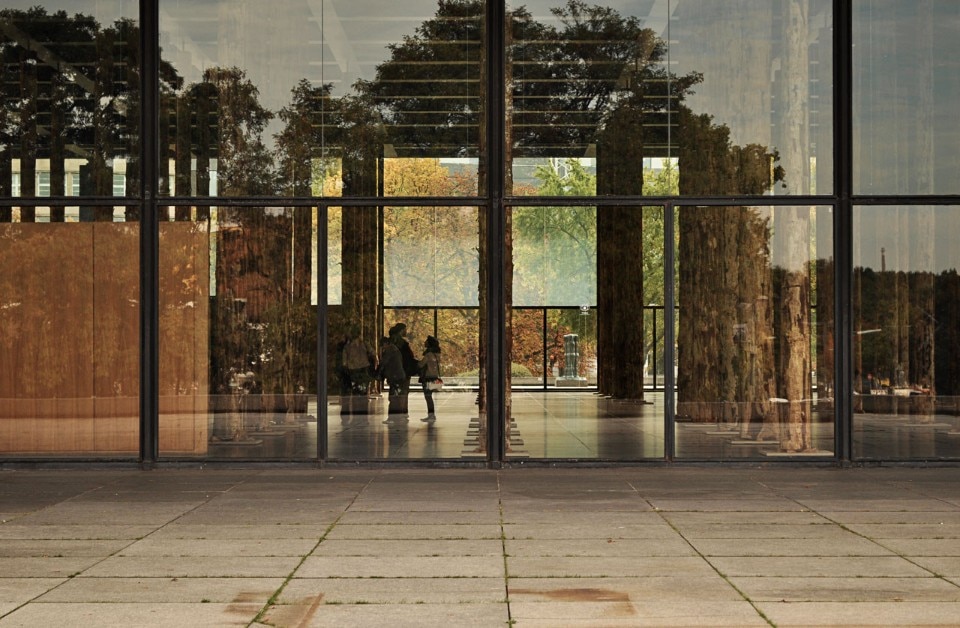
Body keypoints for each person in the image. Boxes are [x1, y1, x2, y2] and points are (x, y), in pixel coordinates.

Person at [385, 323, 417, 421]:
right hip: (404, 372)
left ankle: (393, 415)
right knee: (403, 394)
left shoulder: (391, 343)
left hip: (395, 372)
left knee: (394, 394)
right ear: (401, 330)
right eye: (404, 329)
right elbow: (409, 358)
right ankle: (403, 413)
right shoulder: (403, 344)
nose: (406, 331)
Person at [379, 335, 406, 422]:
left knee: (393, 398)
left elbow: (384, 362)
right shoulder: (395, 349)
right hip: (399, 376)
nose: (382, 347)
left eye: (382, 345)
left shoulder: (390, 350)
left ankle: (392, 418)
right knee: (397, 398)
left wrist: (378, 372)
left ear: (386, 343)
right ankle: (399, 417)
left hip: (395, 376)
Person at [418, 335, 442, 423]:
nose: (424, 342)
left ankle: (431, 415)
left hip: (427, 378)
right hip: (434, 377)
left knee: (428, 397)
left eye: (426, 341)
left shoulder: (428, 355)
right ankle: (431, 415)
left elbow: (420, 365)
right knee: (430, 397)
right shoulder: (437, 354)